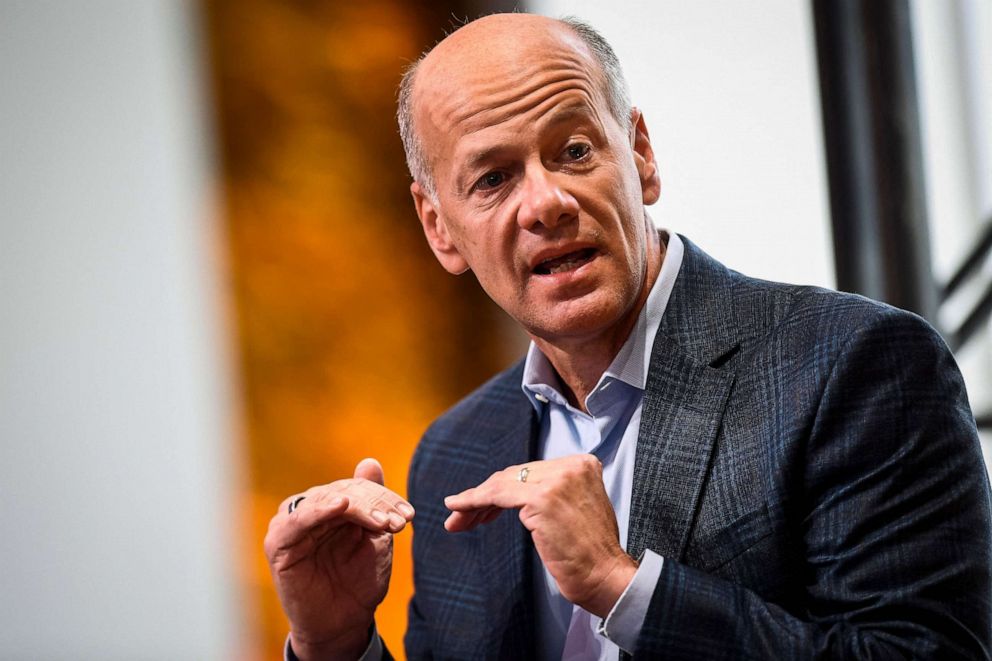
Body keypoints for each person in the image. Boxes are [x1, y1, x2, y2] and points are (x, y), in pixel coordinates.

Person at [264, 13, 992, 660]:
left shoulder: (856, 365)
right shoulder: (453, 452)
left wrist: (622, 586)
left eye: (575, 150)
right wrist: (334, 645)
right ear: (438, 228)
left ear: (639, 154)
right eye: (492, 178)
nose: (546, 202)